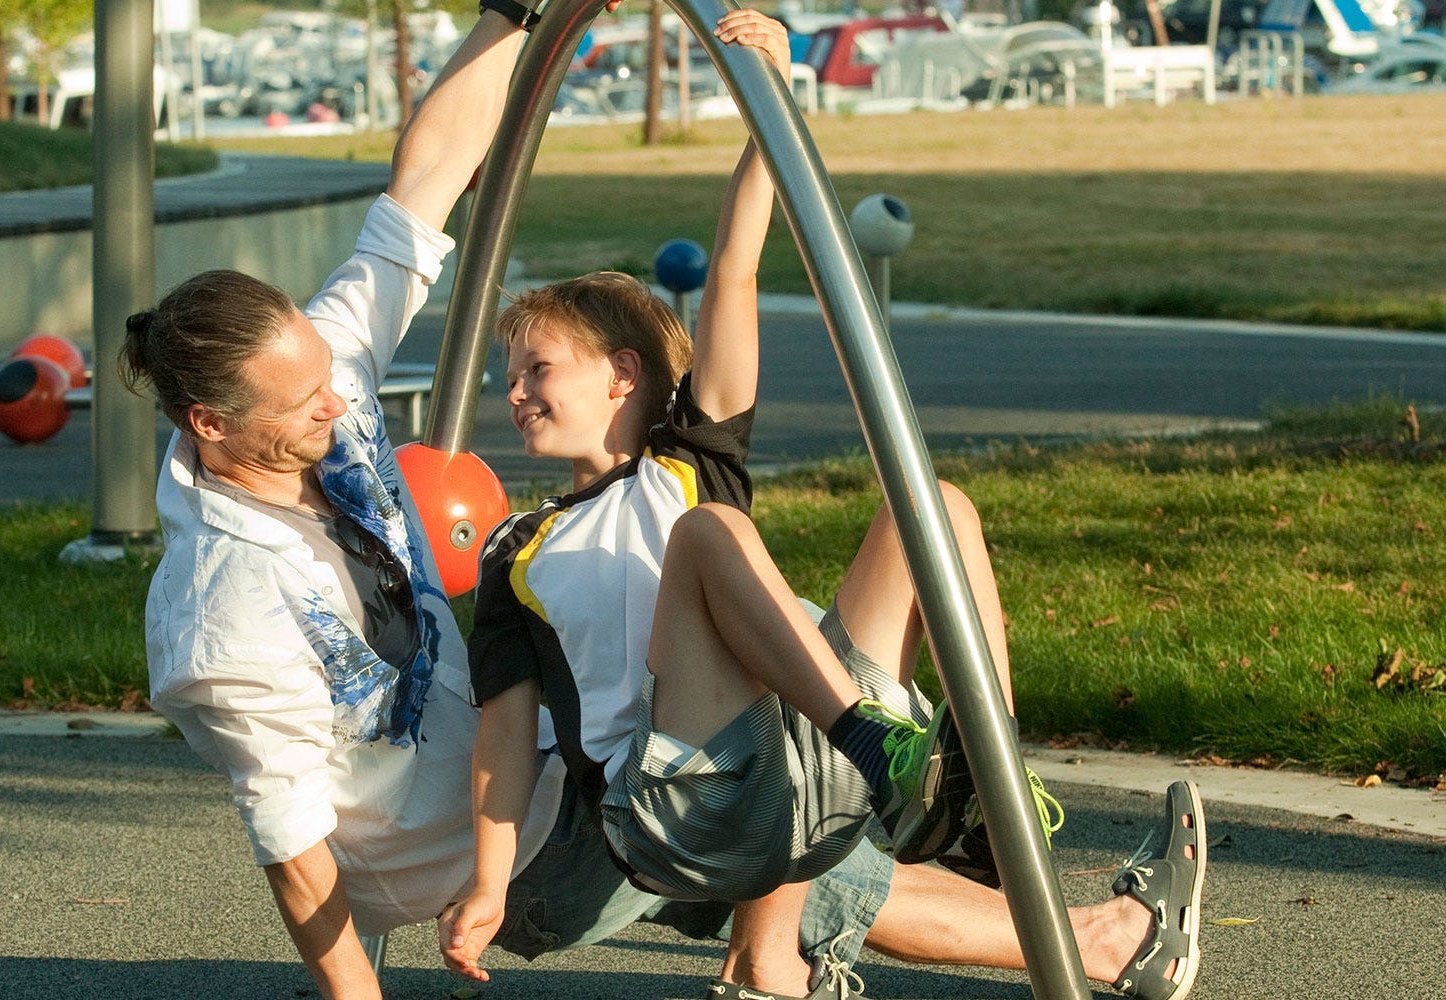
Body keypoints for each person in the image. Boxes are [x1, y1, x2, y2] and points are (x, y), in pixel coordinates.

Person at [436, 11, 1208, 1000]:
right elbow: (505, 728)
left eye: (535, 368)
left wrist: (772, 109)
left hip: (790, 761)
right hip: (669, 805)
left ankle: (985, 789)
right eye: (508, 374)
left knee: (935, 511)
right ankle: (877, 749)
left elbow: (735, 269)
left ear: (620, 375)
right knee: (717, 541)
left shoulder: (689, 457)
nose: (512, 392)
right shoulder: (520, 546)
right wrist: (491, 882)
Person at [119, 6, 579, 999]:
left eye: (330, 373)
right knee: (814, 839)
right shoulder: (222, 609)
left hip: (525, 755)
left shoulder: (320, 378)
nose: (339, 401)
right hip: (470, 864)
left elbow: (425, 182)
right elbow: (290, 850)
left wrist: (511, 13)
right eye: (304, 401)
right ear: (209, 422)